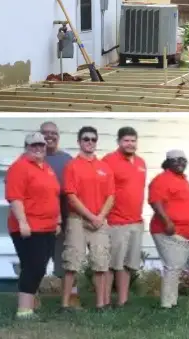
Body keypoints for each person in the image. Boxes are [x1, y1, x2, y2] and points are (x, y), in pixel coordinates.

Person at [5, 132, 61, 320]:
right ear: (26, 147)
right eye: (33, 145)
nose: (38, 148)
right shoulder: (19, 167)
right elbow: (15, 197)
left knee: (40, 267)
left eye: (41, 145)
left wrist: (58, 220)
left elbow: (53, 195)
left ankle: (31, 304)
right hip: (29, 227)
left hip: (48, 227)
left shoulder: (46, 168)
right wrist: (22, 222)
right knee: (33, 267)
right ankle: (24, 310)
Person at [61, 126, 115, 311]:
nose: (90, 142)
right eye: (86, 139)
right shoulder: (72, 166)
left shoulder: (104, 168)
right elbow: (71, 195)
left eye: (93, 139)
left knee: (101, 263)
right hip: (77, 220)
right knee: (72, 263)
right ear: (79, 142)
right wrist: (91, 216)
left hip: (100, 222)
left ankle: (101, 304)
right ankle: (65, 304)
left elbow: (111, 196)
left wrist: (99, 217)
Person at [149, 149, 189, 309]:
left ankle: (172, 302)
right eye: (176, 160)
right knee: (172, 267)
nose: (180, 162)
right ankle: (167, 305)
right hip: (168, 231)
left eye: (183, 160)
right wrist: (167, 222)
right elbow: (155, 201)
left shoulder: (182, 180)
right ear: (168, 162)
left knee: (176, 268)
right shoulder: (162, 179)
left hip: (184, 233)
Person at [102, 127, 147, 308]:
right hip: (116, 221)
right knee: (113, 264)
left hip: (136, 221)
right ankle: (104, 302)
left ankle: (122, 301)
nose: (130, 144)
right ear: (119, 142)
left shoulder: (141, 162)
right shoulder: (108, 161)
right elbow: (102, 189)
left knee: (128, 264)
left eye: (133, 140)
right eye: (126, 140)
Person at [39, 121, 78, 309]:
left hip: (64, 216)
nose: (50, 136)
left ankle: (71, 296)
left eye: (53, 133)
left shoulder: (67, 160)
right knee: (35, 258)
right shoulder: (30, 157)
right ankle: (31, 298)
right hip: (37, 216)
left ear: (58, 136)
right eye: (45, 133)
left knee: (66, 257)